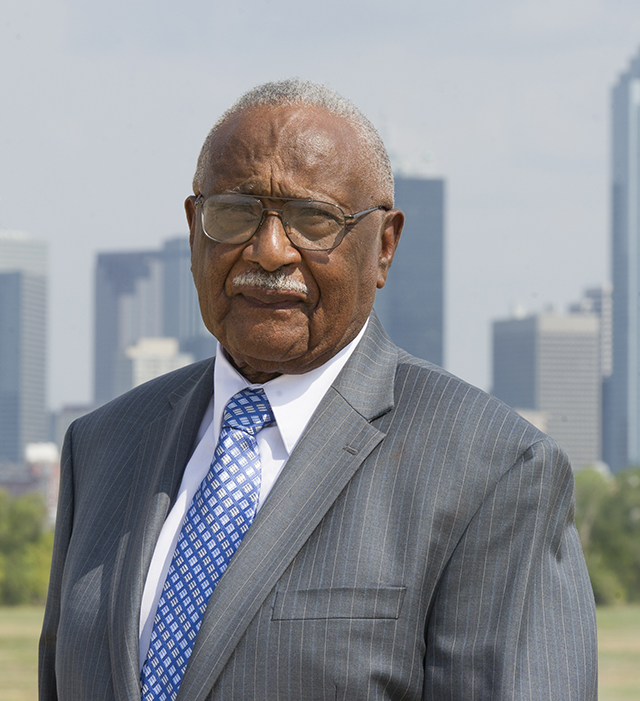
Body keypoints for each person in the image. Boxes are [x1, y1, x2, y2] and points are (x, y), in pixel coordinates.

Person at [39, 79, 597, 701]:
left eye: (313, 219)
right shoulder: (103, 447)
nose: (270, 250)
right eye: (235, 212)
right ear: (195, 228)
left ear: (384, 246)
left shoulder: (494, 470)